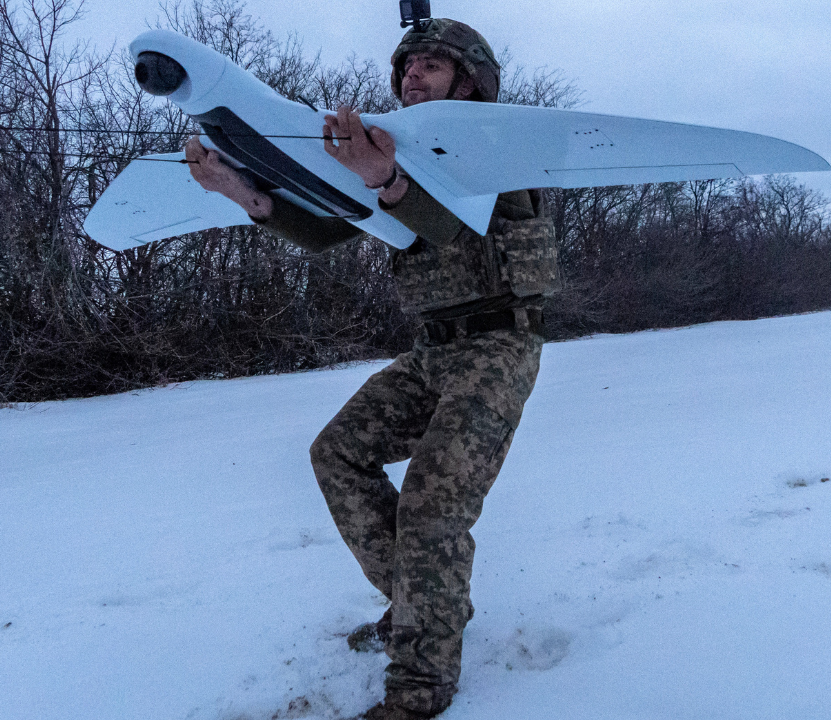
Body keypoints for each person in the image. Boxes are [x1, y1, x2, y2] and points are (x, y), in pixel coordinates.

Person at [184, 18, 559, 720]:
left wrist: (384, 176)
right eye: (407, 64)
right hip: (433, 349)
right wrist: (241, 192)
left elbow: (452, 223)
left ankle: (419, 686)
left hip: (499, 348)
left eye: (432, 65)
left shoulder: (505, 148)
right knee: (339, 453)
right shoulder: (391, 151)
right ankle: (424, 605)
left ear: (470, 83)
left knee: (433, 505)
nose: (412, 73)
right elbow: (329, 226)